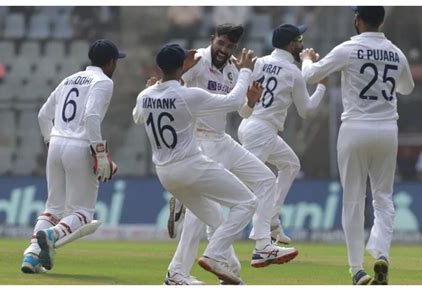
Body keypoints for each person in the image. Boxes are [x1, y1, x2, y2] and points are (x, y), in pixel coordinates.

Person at [164, 24, 298, 285]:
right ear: (212, 39)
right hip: (198, 142)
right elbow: (173, 92)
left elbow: (243, 114)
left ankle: (262, 246)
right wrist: (181, 72)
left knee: (265, 179)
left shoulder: (232, 69)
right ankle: (176, 272)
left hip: (221, 139)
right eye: (221, 43)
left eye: (230, 46)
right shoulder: (198, 61)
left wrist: (250, 102)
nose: (224, 50)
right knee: (199, 215)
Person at [301, 6, 415, 285]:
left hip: (355, 129)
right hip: (387, 130)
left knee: (353, 200)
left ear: (357, 20)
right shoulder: (396, 52)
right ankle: (381, 253)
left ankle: (357, 270)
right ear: (382, 21)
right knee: (383, 199)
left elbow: (310, 76)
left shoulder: (348, 49)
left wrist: (305, 59)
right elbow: (407, 88)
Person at [133, 43, 261, 285]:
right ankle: (213, 255)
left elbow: (138, 116)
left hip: (165, 173)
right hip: (191, 165)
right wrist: (244, 71)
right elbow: (234, 102)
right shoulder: (189, 95)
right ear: (183, 65)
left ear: (159, 66)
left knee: (214, 215)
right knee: (247, 202)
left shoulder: (145, 96)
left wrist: (154, 88)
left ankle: (185, 274)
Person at [21, 39, 125, 273]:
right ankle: (52, 235)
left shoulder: (68, 79)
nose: (115, 66)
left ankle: (30, 255)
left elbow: (42, 115)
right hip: (80, 146)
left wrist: (50, 141)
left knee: (53, 208)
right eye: (115, 61)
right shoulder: (103, 82)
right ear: (110, 62)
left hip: (56, 143)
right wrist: (100, 152)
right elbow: (91, 117)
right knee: (83, 212)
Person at [237, 23, 327, 246]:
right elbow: (306, 111)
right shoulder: (293, 72)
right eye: (299, 41)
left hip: (251, 124)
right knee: (241, 184)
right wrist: (322, 86)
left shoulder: (259, 62)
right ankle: (194, 197)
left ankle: (273, 220)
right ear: (290, 44)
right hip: (262, 131)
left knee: (290, 164)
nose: (302, 45)